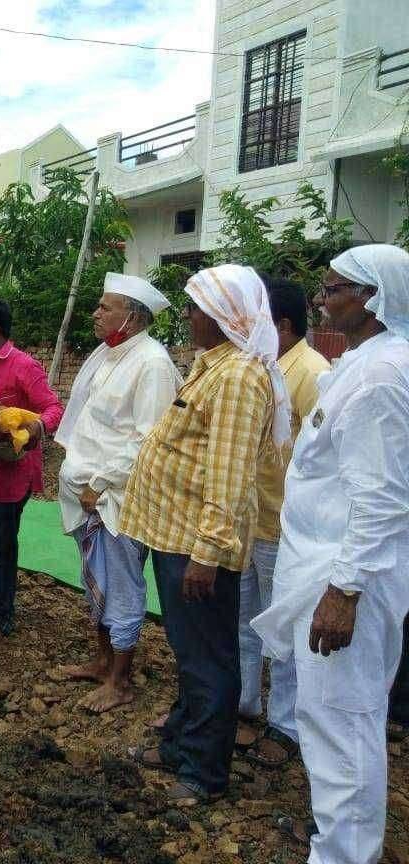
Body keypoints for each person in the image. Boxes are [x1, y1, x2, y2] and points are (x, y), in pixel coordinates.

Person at [253, 244, 409, 864]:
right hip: (332, 568)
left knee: (343, 724)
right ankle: (342, 845)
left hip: (347, 580)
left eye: (335, 286)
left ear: (372, 298)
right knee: (335, 721)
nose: (322, 297)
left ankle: (344, 853)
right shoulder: (364, 362)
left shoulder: (379, 377)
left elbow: (382, 498)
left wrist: (344, 591)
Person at [121, 264, 288, 807]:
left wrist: (208, 553)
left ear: (223, 315)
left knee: (208, 658)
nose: (188, 316)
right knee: (189, 651)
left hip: (197, 546)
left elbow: (231, 474)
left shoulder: (239, 376)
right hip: (176, 537)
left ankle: (202, 773)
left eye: (195, 308)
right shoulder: (212, 367)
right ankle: (180, 744)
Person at [53, 274, 180, 712]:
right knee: (97, 583)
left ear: (132, 316)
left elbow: (149, 439)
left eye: (105, 307)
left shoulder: (152, 363)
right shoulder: (107, 355)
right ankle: (103, 662)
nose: (95, 313)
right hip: (87, 491)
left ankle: (121, 681)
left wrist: (101, 481)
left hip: (116, 495)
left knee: (121, 584)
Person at [236, 279, 329, 765]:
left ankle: (285, 724)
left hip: (284, 521)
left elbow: (320, 462)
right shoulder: (265, 367)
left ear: (282, 325)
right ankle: (247, 701)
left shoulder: (312, 373)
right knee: (247, 616)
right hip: (251, 516)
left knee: (284, 627)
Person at [0, 299, 64, 638]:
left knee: (1, 544)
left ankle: (1, 614)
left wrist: (36, 428)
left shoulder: (23, 365)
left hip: (11, 471)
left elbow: (52, 407)